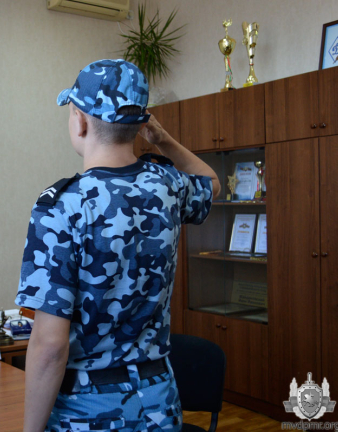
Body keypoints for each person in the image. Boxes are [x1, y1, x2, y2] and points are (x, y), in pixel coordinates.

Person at [15, 59, 220, 432]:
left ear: (79, 120)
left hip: (88, 408)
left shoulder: (61, 206)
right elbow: (211, 183)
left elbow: (50, 346)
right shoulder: (167, 186)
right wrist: (162, 139)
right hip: (160, 400)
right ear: (141, 124)